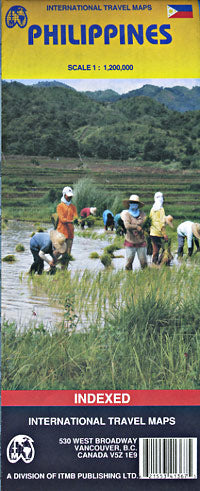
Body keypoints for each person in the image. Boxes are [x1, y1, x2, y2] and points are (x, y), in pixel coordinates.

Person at [121, 194, 147, 270]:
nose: (134, 204)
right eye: (132, 202)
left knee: (144, 263)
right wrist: (136, 227)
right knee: (129, 263)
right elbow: (127, 226)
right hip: (130, 241)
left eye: (135, 203)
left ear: (138, 205)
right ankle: (129, 277)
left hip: (141, 241)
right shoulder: (127, 214)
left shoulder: (142, 213)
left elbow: (145, 222)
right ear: (129, 204)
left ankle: (146, 278)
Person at [57, 186, 78, 268]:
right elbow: (62, 219)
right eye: (68, 196)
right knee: (59, 252)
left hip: (70, 234)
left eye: (70, 196)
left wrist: (78, 220)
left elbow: (76, 216)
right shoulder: (60, 206)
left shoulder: (73, 207)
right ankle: (51, 265)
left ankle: (64, 272)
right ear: (64, 195)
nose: (69, 197)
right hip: (61, 233)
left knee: (67, 255)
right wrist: (71, 221)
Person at [150, 191, 168, 264]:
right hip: (158, 233)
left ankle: (154, 263)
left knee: (155, 248)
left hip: (152, 233)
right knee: (161, 248)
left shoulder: (152, 209)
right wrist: (164, 234)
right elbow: (162, 223)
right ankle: (157, 262)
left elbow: (150, 220)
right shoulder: (161, 209)